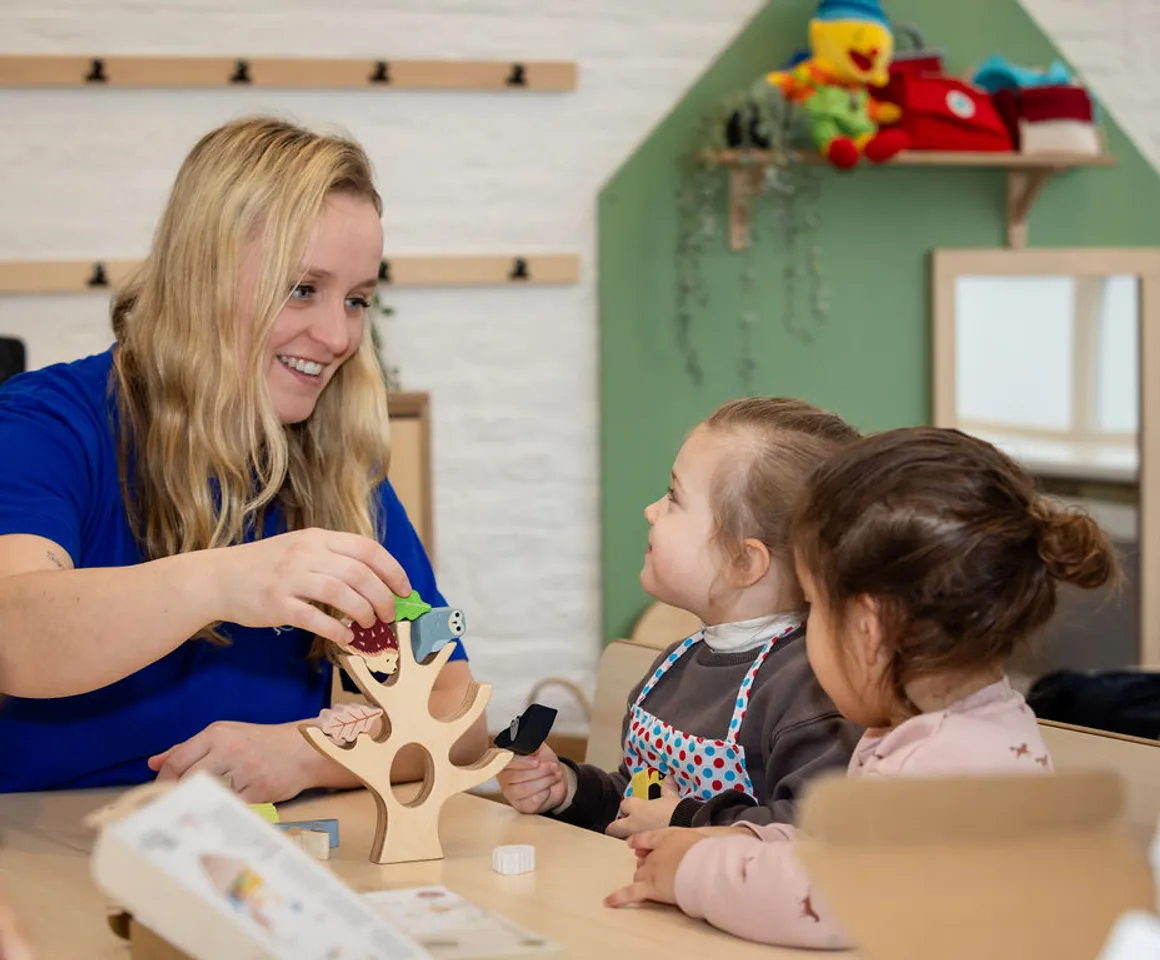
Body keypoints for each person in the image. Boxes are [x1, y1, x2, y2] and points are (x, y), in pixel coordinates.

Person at [0, 117, 487, 799]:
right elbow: (14, 633)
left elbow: (458, 712)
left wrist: (307, 755)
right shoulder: (49, 422)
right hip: (50, 850)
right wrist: (222, 583)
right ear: (203, 273)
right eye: (302, 289)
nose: (337, 334)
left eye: (356, 300)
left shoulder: (338, 462)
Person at [605, 427, 1119, 948]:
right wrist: (740, 836)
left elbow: (831, 894)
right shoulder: (959, 728)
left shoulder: (945, 764)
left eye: (816, 608)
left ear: (868, 630)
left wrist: (693, 872)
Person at [498, 398, 863, 836]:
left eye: (673, 497)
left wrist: (682, 820)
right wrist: (569, 790)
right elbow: (640, 802)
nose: (651, 511)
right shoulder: (674, 666)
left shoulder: (811, 689)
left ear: (744, 563)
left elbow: (813, 832)